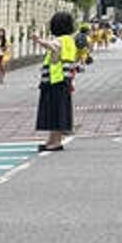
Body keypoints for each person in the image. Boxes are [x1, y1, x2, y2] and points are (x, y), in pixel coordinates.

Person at [33, 11, 78, 152]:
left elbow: (53, 47)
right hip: (64, 79)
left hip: (55, 80)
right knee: (59, 110)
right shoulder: (70, 40)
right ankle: (53, 140)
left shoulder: (61, 40)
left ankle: (55, 142)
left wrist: (39, 40)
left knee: (54, 111)